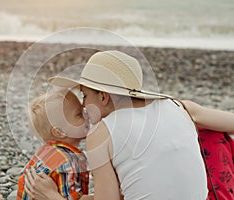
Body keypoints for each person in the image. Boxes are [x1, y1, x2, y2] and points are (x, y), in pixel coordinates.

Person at [24, 51, 234, 200]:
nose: (85, 106)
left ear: (104, 97)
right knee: (209, 132)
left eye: (85, 96)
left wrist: (51, 196)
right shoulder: (178, 106)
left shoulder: (100, 133)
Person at [16, 89, 93, 200]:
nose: (87, 115)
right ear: (60, 132)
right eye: (79, 114)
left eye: (84, 110)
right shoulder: (67, 161)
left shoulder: (46, 152)